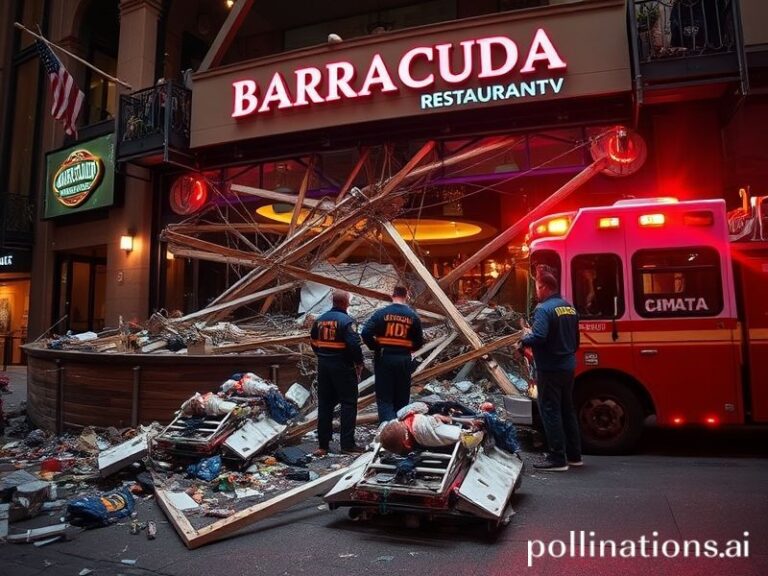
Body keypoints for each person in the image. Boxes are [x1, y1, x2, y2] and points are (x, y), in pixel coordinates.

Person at [519, 269, 582, 471]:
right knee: (567, 410)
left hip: (550, 368)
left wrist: (522, 340)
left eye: (538, 288)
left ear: (545, 287)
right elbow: (576, 340)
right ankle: (574, 456)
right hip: (568, 366)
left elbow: (539, 337)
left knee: (550, 410)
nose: (537, 292)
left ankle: (557, 458)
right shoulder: (569, 308)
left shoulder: (544, 309)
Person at [310, 290, 365, 456]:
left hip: (324, 366)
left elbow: (313, 342)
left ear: (333, 302)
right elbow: (354, 345)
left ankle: (323, 445)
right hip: (343, 366)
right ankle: (347, 444)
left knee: (325, 404)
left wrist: (323, 355)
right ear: (345, 303)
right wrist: (358, 363)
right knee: (348, 404)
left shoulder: (319, 320)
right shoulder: (347, 322)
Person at [362, 286, 424, 422]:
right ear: (406, 295)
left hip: (384, 358)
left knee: (385, 398)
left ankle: (387, 431)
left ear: (392, 295)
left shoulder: (381, 314)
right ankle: (400, 433)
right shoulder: (413, 316)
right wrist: (408, 348)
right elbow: (419, 342)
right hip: (404, 359)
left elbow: (365, 333)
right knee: (402, 398)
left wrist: (376, 347)